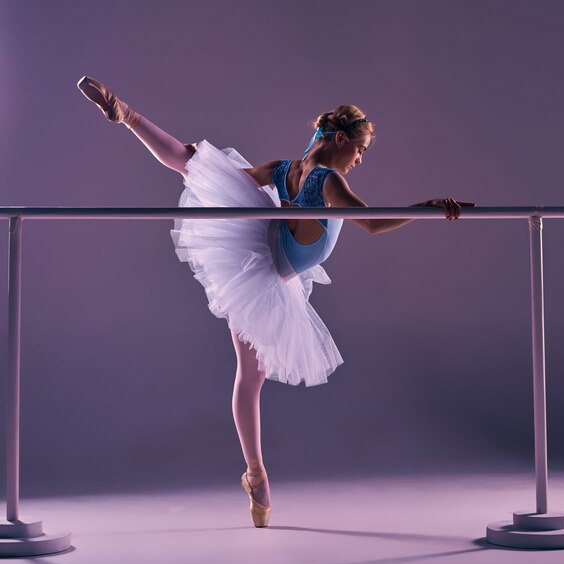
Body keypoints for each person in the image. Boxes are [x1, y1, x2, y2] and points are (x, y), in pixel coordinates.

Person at [77, 76, 473, 529]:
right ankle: (257, 478)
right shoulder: (329, 180)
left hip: (259, 264)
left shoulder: (286, 169)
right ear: (341, 140)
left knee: (196, 166)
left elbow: (217, 175)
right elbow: (375, 224)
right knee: (248, 376)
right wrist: (428, 206)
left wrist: (209, 172)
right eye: (360, 150)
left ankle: (257, 476)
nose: (360, 160)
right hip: (267, 267)